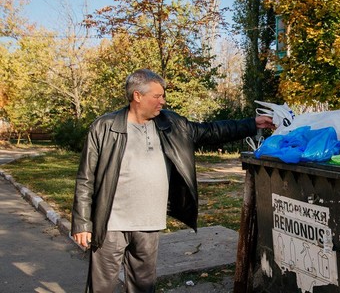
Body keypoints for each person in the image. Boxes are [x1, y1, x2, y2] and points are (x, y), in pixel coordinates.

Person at [71, 69, 274, 292]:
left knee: (143, 286)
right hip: (110, 223)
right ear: (137, 96)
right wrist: (82, 222)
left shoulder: (171, 124)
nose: (162, 101)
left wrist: (253, 123)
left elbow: (211, 131)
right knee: (101, 287)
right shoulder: (104, 127)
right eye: (157, 96)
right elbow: (85, 178)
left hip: (148, 223)